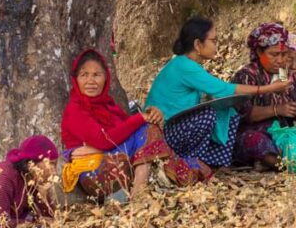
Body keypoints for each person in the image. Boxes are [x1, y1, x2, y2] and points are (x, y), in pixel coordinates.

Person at [145, 17, 292, 170]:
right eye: (213, 41)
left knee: (228, 112)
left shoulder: (186, 65)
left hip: (173, 128)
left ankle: (216, 163)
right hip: (162, 133)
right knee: (207, 114)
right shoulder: (184, 66)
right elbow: (224, 89)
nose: (216, 46)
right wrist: (268, 88)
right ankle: (193, 163)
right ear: (197, 44)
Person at [60, 49, 207, 199]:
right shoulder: (75, 110)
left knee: (148, 130)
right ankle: (139, 190)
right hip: (96, 174)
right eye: (84, 75)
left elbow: (126, 130)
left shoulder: (108, 105)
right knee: (147, 129)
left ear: (106, 78)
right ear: (76, 79)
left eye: (97, 75)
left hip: (117, 163)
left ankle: (146, 184)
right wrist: (141, 118)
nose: (90, 81)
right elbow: (104, 140)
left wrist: (150, 114)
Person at [231, 24, 296, 168]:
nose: (280, 60)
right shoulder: (247, 75)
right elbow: (245, 113)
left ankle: (289, 159)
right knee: (254, 141)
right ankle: (289, 163)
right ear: (260, 52)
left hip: (285, 135)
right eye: (274, 54)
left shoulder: (286, 75)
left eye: (284, 54)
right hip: (256, 133)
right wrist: (277, 109)